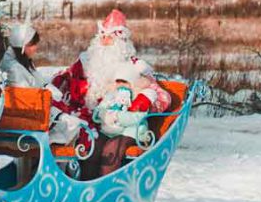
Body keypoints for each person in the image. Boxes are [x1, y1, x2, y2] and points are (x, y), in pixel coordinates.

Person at [47, 8, 170, 152]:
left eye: (110, 37)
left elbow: (163, 98)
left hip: (116, 125)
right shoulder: (86, 62)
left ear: (121, 42)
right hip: (82, 118)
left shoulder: (134, 66)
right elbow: (61, 81)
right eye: (102, 36)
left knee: (92, 144)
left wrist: (136, 106)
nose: (104, 41)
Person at [1, 21, 83, 145]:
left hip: (36, 112)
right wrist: (56, 111)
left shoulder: (23, 62)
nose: (36, 48)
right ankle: (51, 155)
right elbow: (27, 98)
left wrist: (48, 88)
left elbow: (38, 83)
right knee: (73, 124)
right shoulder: (15, 69)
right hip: (32, 117)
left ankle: (50, 156)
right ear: (24, 46)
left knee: (72, 122)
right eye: (33, 44)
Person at [81, 61, 160, 179]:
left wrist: (117, 116)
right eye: (118, 81)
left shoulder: (140, 97)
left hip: (130, 132)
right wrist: (104, 114)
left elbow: (138, 117)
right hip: (109, 131)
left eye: (125, 81)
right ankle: (88, 181)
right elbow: (98, 111)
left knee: (111, 149)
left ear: (132, 83)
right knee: (94, 147)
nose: (120, 85)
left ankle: (107, 183)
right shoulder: (111, 96)